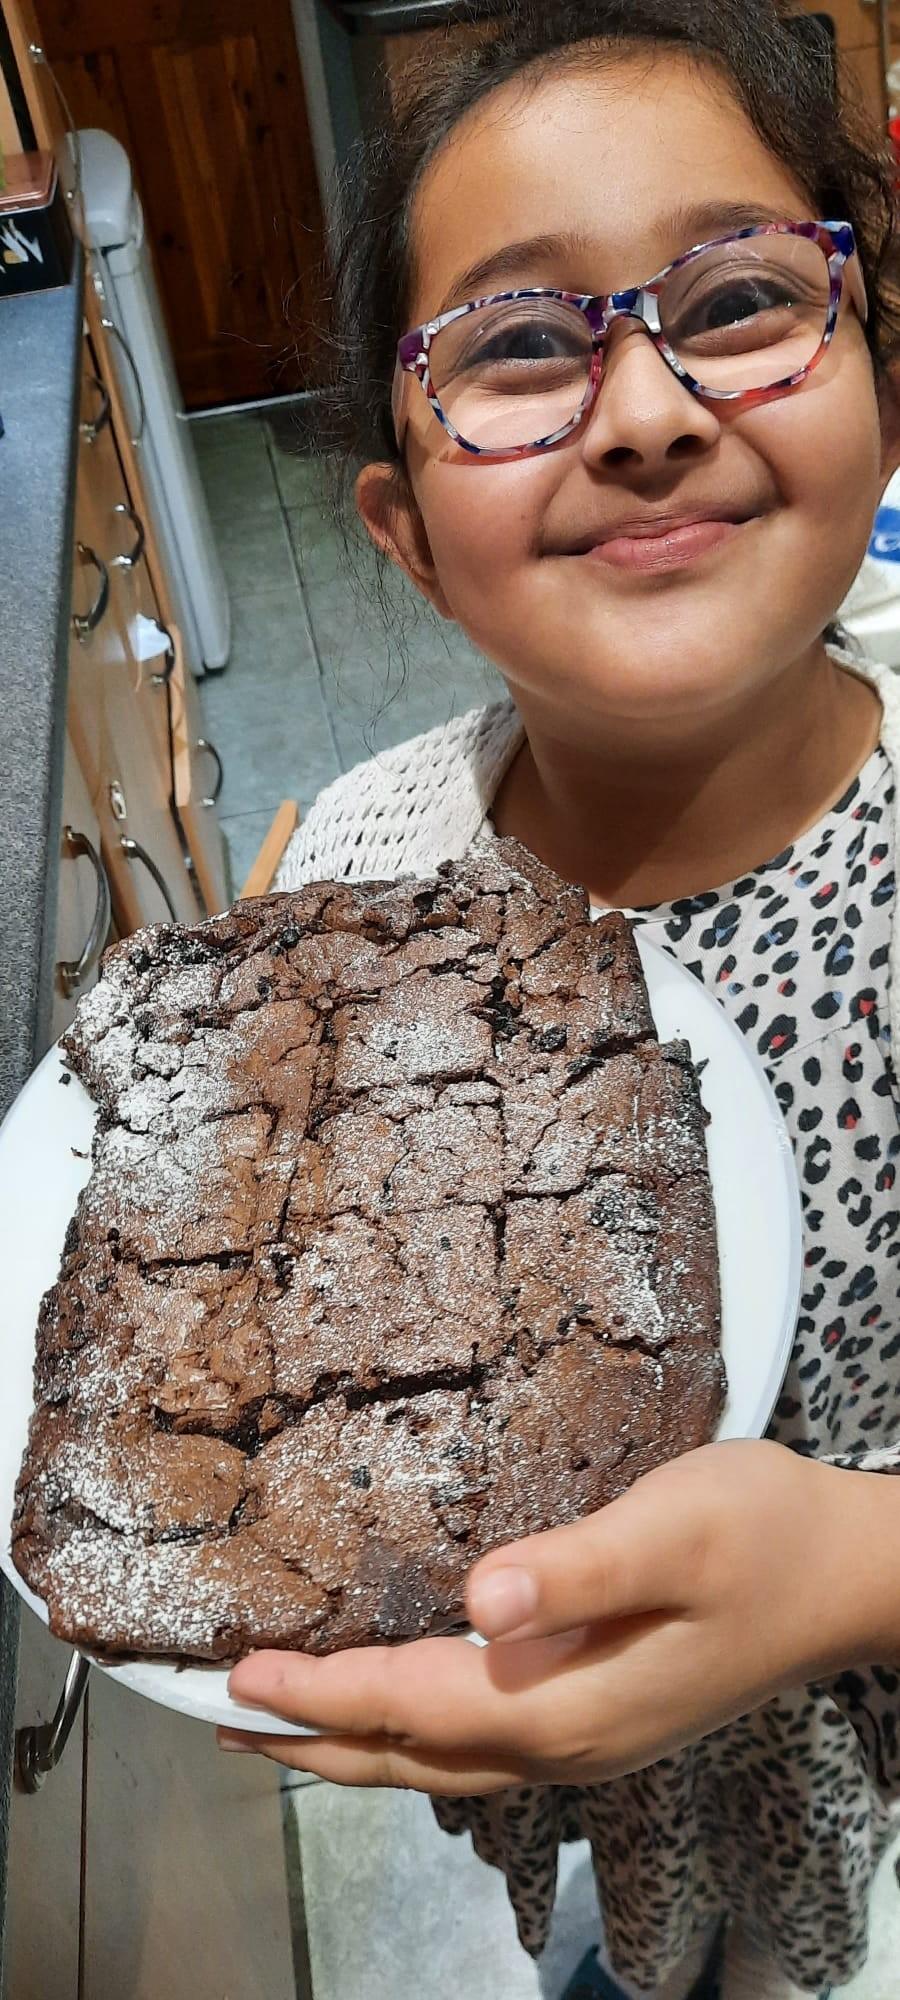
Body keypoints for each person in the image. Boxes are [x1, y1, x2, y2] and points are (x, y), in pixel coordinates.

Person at [217, 4, 900, 1994]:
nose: (648, 406)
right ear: (409, 539)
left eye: (745, 296)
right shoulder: (363, 860)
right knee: (621, 1937)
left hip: (851, 1723)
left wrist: (852, 1567)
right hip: (540, 1700)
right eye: (522, 344)